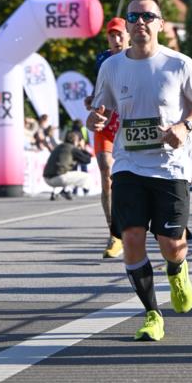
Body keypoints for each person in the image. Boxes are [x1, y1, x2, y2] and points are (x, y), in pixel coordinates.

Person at [87, 0, 192, 343]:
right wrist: (95, 119)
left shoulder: (180, 64)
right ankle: (152, 314)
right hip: (128, 164)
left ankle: (177, 269)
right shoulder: (111, 67)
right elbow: (100, 110)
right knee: (131, 239)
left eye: (147, 16)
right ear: (126, 25)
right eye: (133, 17)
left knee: (171, 244)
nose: (139, 22)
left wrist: (184, 128)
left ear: (159, 23)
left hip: (171, 167)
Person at [87, 16, 130, 257]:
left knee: (128, 177)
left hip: (127, 125)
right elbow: (99, 91)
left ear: (128, 35)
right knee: (105, 169)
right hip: (105, 123)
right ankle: (114, 234)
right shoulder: (102, 59)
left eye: (119, 35)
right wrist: (91, 101)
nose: (116, 40)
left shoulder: (137, 58)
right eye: (111, 36)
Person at [43, 130, 92, 199]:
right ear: (75, 140)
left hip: (46, 178)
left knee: (66, 171)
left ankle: (58, 191)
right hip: (58, 179)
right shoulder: (72, 148)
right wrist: (82, 148)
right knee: (86, 177)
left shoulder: (59, 146)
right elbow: (87, 160)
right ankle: (67, 190)